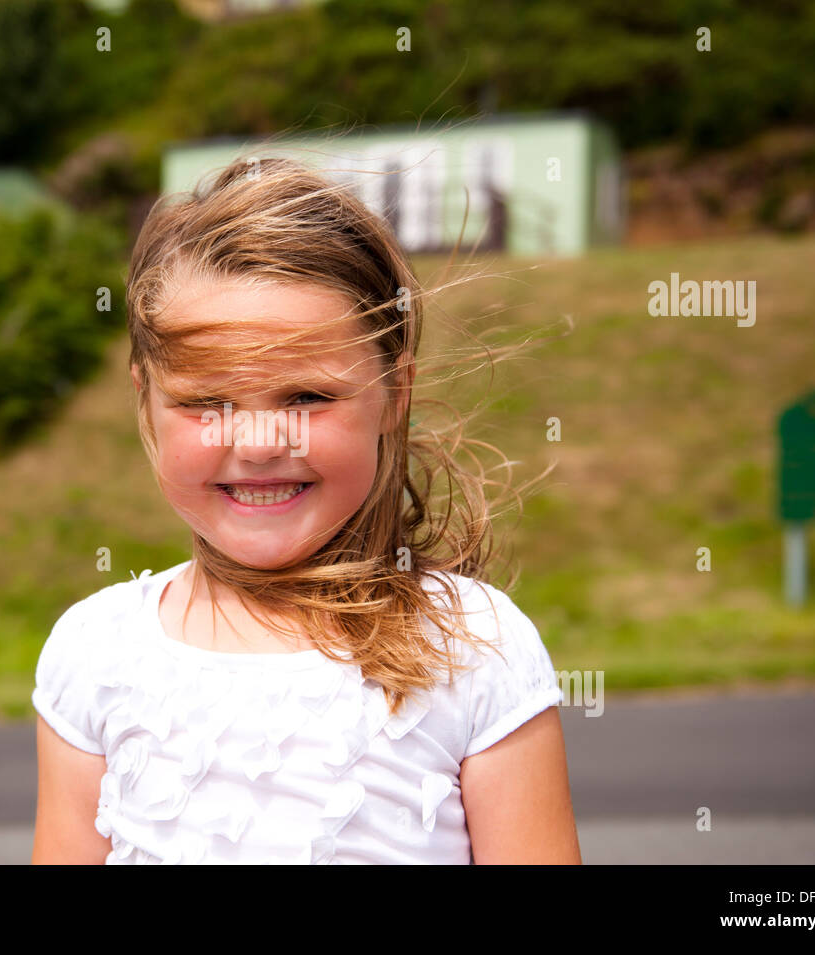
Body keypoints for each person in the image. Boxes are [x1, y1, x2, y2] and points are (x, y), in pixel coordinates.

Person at [31, 152, 581, 864]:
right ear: (147, 400)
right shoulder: (93, 654)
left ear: (395, 394)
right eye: (207, 403)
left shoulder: (474, 647)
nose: (260, 442)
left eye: (307, 397)